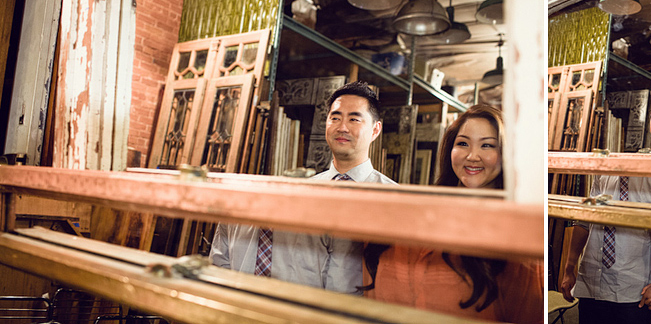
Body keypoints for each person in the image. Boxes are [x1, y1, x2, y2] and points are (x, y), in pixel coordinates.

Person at [360, 104, 543, 323]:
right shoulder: (424, 211)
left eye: (487, 145)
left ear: (506, 156)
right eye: (463, 143)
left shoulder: (518, 232)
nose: (472, 156)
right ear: (449, 150)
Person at [210, 81, 396, 294]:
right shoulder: (303, 193)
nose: (342, 127)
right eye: (335, 118)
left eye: (354, 119)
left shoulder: (393, 198)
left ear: (375, 129)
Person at [561, 98, 651, 324]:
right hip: (592, 278)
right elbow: (584, 220)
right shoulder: (621, 167)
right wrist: (570, 267)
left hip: (634, 280)